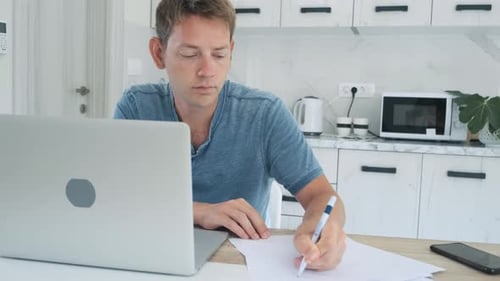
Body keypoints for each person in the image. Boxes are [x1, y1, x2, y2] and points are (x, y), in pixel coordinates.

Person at [114, 0, 346, 272]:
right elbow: (115, 197)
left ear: (232, 52)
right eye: (190, 54)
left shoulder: (264, 114)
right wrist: (201, 211)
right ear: (158, 53)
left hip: (238, 264)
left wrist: (320, 229)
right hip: (151, 257)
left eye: (220, 54)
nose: (207, 70)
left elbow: (323, 196)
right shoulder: (136, 107)